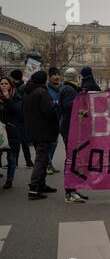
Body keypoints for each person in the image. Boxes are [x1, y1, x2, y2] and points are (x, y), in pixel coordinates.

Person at [23, 71, 59, 201]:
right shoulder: (42, 93)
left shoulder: (28, 92)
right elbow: (49, 112)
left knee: (42, 159)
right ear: (44, 81)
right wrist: (56, 117)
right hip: (43, 131)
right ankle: (34, 188)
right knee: (41, 160)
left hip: (33, 130)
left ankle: (41, 185)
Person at [59, 68, 88, 203]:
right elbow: (69, 106)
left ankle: (73, 189)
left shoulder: (68, 89)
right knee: (72, 160)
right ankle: (69, 191)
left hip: (70, 129)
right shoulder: (69, 90)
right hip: (70, 130)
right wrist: (80, 98)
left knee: (74, 160)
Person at [0, 77, 22, 189]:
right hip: (0, 131)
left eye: (6, 83)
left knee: (11, 157)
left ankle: (9, 180)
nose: (4, 85)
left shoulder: (16, 97)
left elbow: (18, 111)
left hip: (12, 130)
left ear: (10, 85)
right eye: (2, 83)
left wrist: (8, 100)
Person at [9, 69, 34, 168]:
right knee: (22, 141)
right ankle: (27, 161)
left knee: (20, 141)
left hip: (19, 117)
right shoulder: (22, 86)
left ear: (14, 78)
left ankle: (20, 162)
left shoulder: (19, 88)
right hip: (22, 116)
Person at [47, 67, 61, 175]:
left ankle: (49, 163)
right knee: (50, 143)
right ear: (49, 77)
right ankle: (47, 165)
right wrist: (55, 103)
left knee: (54, 143)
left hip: (57, 120)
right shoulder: (46, 89)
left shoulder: (60, 89)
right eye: (54, 75)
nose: (57, 77)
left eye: (58, 74)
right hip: (48, 121)